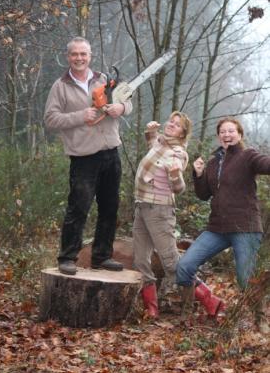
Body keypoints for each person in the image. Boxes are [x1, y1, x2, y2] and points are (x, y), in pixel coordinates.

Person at [44, 36, 133, 275]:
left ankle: (102, 256)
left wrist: (121, 108)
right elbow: (51, 119)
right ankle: (67, 257)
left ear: (90, 56)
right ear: (68, 57)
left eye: (83, 54)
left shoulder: (103, 79)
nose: (79, 58)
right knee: (78, 207)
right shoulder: (60, 86)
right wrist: (80, 116)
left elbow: (128, 101)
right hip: (83, 157)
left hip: (110, 152)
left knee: (109, 206)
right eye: (75, 54)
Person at [176, 117, 270, 326]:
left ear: (240, 134)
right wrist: (199, 175)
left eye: (231, 131)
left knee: (246, 278)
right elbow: (203, 195)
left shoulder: (248, 156)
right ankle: (186, 314)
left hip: (244, 227)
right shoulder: (213, 162)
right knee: (185, 265)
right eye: (223, 132)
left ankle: (259, 321)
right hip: (217, 228)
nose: (227, 135)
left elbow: (266, 164)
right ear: (218, 136)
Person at [133, 112, 224, 318]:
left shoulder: (178, 153)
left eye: (176, 125)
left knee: (172, 264)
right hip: (141, 207)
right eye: (170, 122)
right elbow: (153, 149)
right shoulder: (160, 143)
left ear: (183, 133)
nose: (171, 125)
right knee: (140, 260)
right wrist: (151, 132)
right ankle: (152, 309)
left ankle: (210, 300)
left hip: (159, 211)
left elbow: (179, 188)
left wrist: (174, 175)